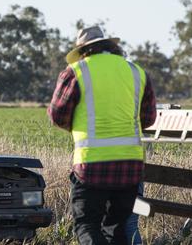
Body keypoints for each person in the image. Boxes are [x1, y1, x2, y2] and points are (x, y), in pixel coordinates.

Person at [47, 26, 156, 245]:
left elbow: (57, 114)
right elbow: (149, 118)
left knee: (87, 226)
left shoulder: (76, 71)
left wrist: (79, 126)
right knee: (117, 229)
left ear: (83, 50)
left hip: (91, 166)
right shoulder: (137, 72)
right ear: (111, 46)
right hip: (130, 167)